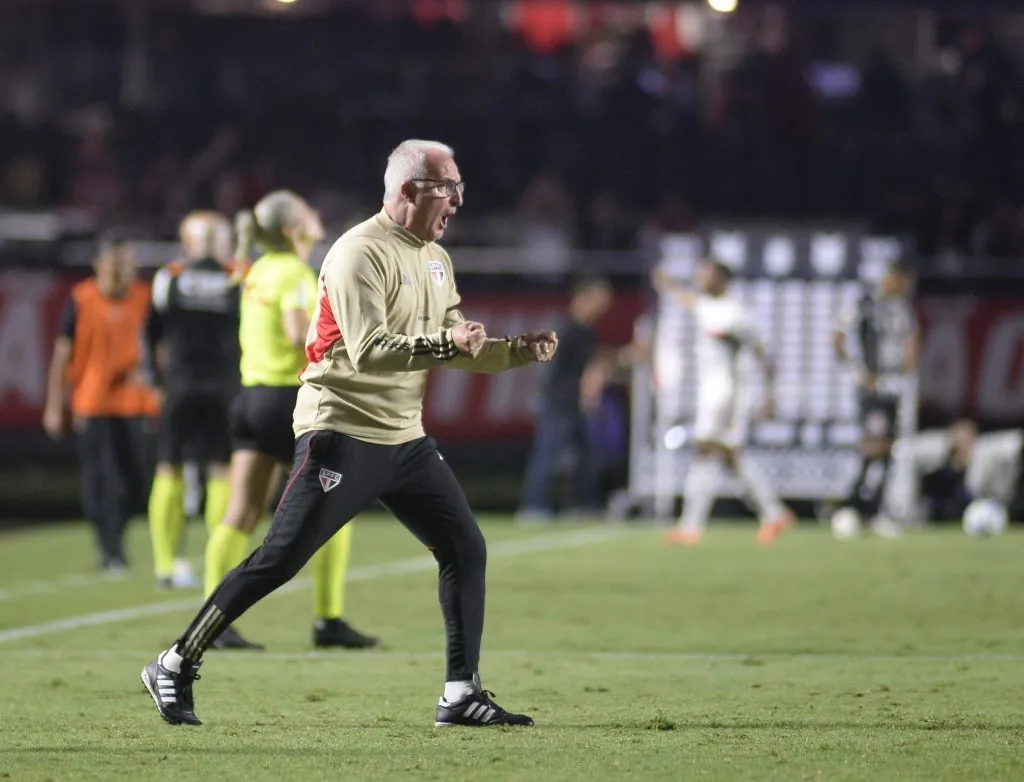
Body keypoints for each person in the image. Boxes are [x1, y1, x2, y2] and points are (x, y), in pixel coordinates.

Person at [142, 139, 557, 728]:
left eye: (459, 187)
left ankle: (461, 692)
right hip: (341, 428)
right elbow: (368, 351)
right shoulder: (357, 252)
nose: (458, 201)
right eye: (447, 188)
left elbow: (455, 344)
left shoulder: (436, 258)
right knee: (279, 559)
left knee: (465, 548)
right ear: (408, 191)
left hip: (404, 439)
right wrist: (447, 344)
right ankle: (175, 662)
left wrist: (514, 352)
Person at [201, 191, 379, 652]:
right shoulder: (296, 274)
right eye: (306, 210)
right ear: (291, 229)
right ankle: (328, 620)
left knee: (240, 514)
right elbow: (300, 333)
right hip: (288, 401)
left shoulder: (258, 270)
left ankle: (211, 623)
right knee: (337, 507)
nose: (316, 214)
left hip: (251, 399)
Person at [653, 259, 795, 545]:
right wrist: (669, 286)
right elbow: (693, 302)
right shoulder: (711, 305)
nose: (700, 279)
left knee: (705, 449)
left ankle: (691, 527)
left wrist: (770, 394)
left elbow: (762, 353)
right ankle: (774, 514)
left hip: (727, 393)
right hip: (715, 390)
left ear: (721, 279)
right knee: (731, 457)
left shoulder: (734, 313)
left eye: (705, 275)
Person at [43, 237, 159, 570]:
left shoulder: (143, 297)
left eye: (124, 262)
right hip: (93, 403)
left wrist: (158, 385)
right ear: (98, 265)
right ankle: (110, 550)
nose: (120, 269)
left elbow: (158, 348)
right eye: (113, 262)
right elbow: (62, 354)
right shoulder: (82, 298)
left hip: (134, 403)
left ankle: (115, 535)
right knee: (100, 479)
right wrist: (54, 404)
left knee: (139, 480)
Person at [146, 211, 239, 590]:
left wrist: (156, 380)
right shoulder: (237, 278)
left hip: (179, 386)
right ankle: (218, 559)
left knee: (168, 467)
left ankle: (165, 565)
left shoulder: (170, 277)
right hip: (224, 387)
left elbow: (152, 334)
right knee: (220, 470)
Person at [832, 260, 917, 537]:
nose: (907, 287)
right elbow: (838, 336)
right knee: (872, 448)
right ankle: (852, 508)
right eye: (904, 281)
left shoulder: (903, 308)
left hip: (894, 389)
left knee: (888, 451)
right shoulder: (865, 304)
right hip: (873, 390)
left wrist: (907, 374)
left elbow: (911, 342)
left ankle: (874, 511)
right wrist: (859, 372)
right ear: (892, 277)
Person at [517, 276, 612, 520]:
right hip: (558, 403)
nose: (602, 309)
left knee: (585, 456)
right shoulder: (564, 331)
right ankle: (533, 506)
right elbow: (553, 372)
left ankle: (582, 505)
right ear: (582, 299)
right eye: (599, 302)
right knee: (548, 455)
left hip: (575, 404)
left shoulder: (587, 333)